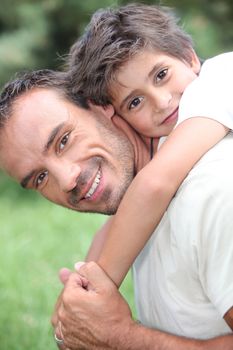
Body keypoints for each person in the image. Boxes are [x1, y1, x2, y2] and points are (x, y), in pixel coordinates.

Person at [0, 70, 232, 349]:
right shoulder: (138, 210)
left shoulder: (212, 196)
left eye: (63, 141)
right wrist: (78, 312)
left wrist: (124, 338)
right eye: (40, 178)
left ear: (100, 105)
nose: (66, 179)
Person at [66, 3, 233, 288]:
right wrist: (80, 282)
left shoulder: (220, 77)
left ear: (189, 56)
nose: (162, 102)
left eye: (161, 75)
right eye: (135, 102)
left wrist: (97, 291)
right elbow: (115, 224)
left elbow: (153, 184)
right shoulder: (170, 137)